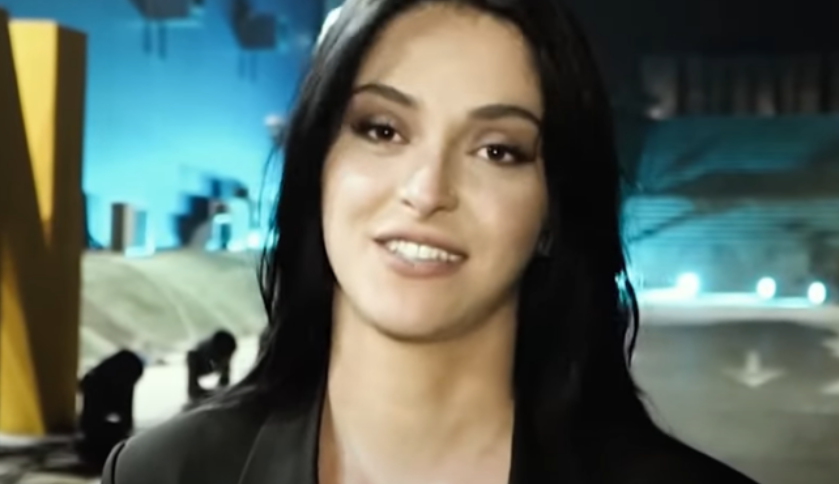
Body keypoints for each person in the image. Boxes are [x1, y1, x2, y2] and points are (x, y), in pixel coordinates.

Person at [101, 0, 759, 483]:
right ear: (317, 168)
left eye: (497, 150)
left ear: (554, 212)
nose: (426, 190)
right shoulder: (162, 475)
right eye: (383, 130)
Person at [78, 350, 144, 470]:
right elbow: (91, 421)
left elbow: (125, 416)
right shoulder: (95, 382)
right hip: (97, 439)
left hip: (98, 438)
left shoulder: (105, 379)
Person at [185, 330, 236, 402]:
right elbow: (192, 394)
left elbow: (224, 385)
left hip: (217, 349)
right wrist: (215, 393)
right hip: (199, 357)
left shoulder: (225, 352)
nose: (227, 361)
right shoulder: (194, 356)